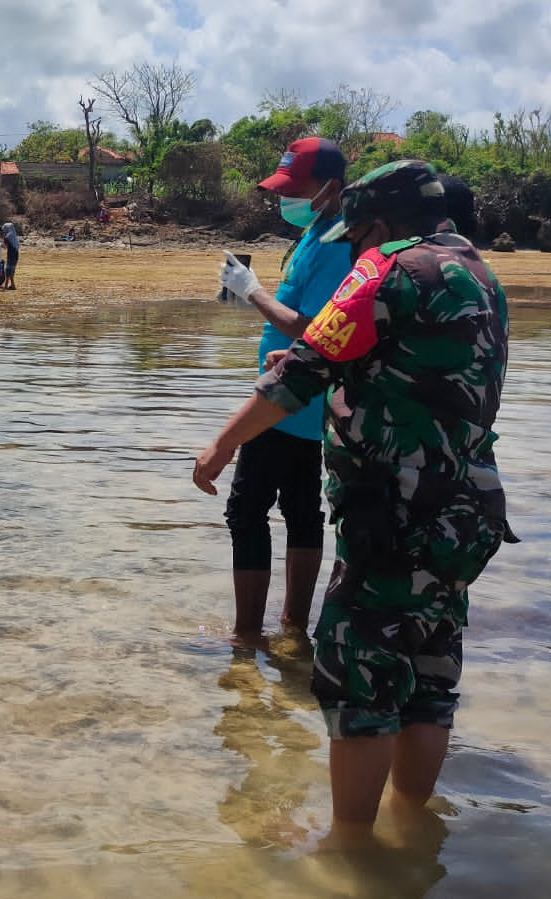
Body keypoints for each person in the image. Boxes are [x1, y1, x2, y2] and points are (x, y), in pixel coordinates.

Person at [192, 160, 514, 846]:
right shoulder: (478, 273)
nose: (352, 249)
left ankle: (349, 851)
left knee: (360, 685)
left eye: (355, 235)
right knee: (428, 676)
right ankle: (411, 831)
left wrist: (220, 444)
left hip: (392, 511)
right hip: (468, 510)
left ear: (376, 223)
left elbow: (302, 368)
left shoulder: (384, 270)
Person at [212, 137, 351, 645]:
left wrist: (251, 290)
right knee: (299, 508)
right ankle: (294, 630)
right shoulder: (317, 232)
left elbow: (312, 329)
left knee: (246, 510)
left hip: (289, 402)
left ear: (331, 189)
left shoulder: (337, 243)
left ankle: (247, 635)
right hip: (302, 400)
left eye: (295, 189)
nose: (282, 199)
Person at [1, 222, 20, 289]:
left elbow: (5, 246)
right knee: (12, 270)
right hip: (16, 254)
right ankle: (12, 285)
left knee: (7, 270)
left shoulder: (8, 236)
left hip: (11, 255)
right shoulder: (14, 235)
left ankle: (6, 286)